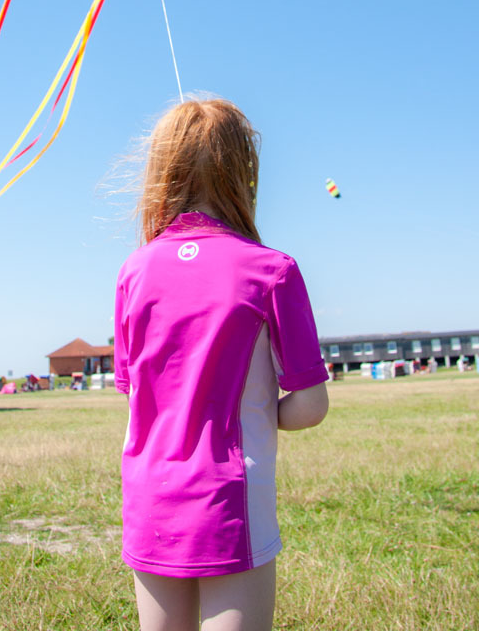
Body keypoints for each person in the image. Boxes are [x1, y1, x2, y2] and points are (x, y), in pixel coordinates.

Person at [114, 99, 329, 631]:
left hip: (148, 492)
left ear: (161, 169)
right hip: (229, 496)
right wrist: (253, 413)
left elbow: (136, 391)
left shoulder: (133, 271)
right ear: (244, 170)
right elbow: (310, 405)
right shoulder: (272, 270)